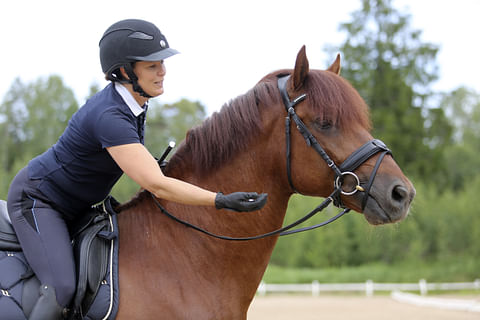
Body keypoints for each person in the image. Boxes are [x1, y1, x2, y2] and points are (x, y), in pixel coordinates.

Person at [6, 19, 267, 320]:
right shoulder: (110, 116)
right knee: (61, 288)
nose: (163, 71)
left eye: (162, 63)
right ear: (125, 71)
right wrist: (219, 200)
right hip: (39, 201)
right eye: (152, 65)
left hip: (79, 205)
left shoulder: (135, 103)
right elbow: (157, 185)